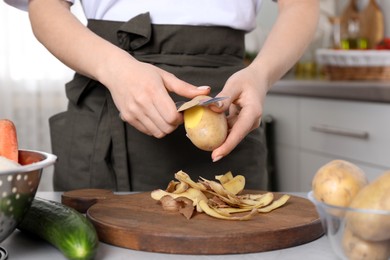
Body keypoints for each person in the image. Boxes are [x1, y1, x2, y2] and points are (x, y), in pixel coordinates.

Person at [4, 0, 319, 191]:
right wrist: (115, 69)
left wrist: (260, 75)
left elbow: (301, 5)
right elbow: (45, 6)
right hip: (105, 103)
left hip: (225, 108)